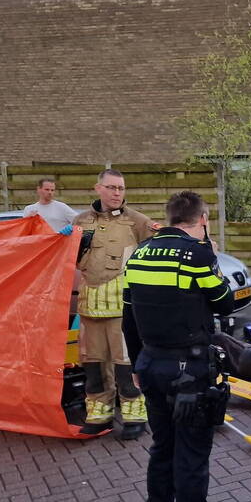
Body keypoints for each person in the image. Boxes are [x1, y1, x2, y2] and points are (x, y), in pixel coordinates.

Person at [122, 191, 244, 502]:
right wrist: (208, 250)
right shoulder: (198, 255)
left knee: (162, 451)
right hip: (189, 370)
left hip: (151, 364)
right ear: (202, 218)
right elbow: (225, 302)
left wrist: (137, 365)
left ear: (170, 217)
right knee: (191, 458)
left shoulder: (139, 254)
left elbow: (129, 317)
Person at [73, 169, 157, 438]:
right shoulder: (80, 221)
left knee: (125, 362)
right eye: (111, 188)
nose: (117, 193)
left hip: (123, 307)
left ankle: (135, 413)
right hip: (88, 305)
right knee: (93, 362)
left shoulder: (138, 222)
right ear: (98, 188)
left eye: (121, 188)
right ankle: (99, 413)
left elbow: (159, 250)